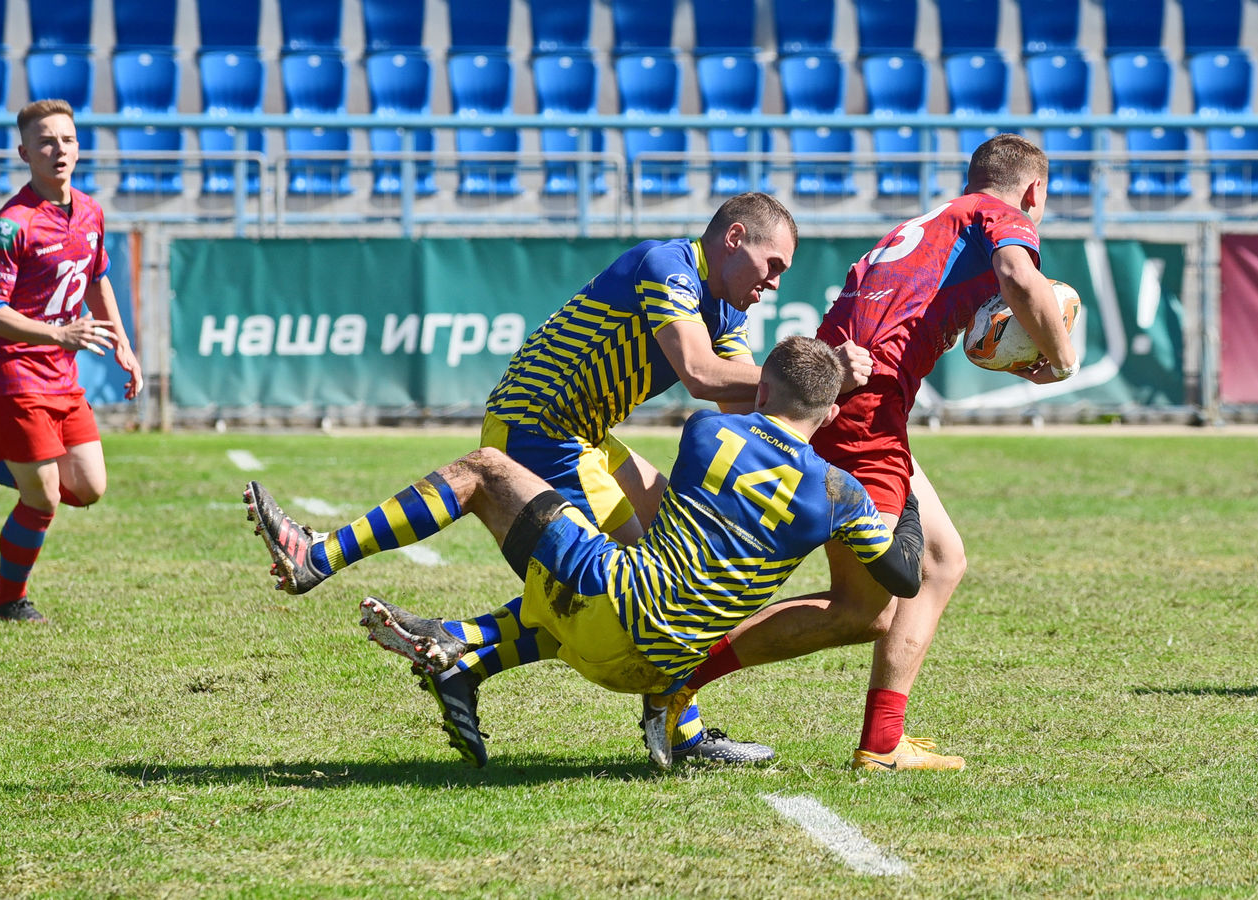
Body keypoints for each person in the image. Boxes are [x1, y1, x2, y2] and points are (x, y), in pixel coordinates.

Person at [252, 192, 872, 765]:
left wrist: (820, 394)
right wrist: (821, 376)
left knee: (671, 559)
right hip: (541, 428)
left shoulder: (724, 312)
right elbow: (704, 377)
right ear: (734, 237)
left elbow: (759, 407)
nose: (774, 281)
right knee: (642, 587)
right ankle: (332, 564)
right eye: (772, 263)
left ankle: (468, 662)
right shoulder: (670, 266)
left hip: (586, 437)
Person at [246, 337, 922, 768]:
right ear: (828, 418)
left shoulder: (707, 431)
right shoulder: (842, 494)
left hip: (609, 613)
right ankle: (463, 652)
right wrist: (906, 487)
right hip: (657, 674)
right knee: (621, 583)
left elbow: (709, 415)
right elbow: (903, 576)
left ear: (763, 391)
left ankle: (319, 557)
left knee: (486, 469)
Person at [707, 134, 1081, 771]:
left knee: (941, 559)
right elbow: (1022, 278)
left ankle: (883, 743)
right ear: (1034, 191)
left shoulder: (931, 226)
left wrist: (1019, 355)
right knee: (862, 612)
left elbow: (968, 334)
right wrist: (1064, 360)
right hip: (862, 413)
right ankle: (678, 678)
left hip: (849, 399)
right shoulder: (1004, 218)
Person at [0, 99, 140, 623]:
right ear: (24, 152)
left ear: (78, 146)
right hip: (11, 378)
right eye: (45, 142)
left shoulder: (90, 211)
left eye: (66, 139)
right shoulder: (11, 225)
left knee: (86, 489)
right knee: (42, 499)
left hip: (62, 379)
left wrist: (122, 342)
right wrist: (56, 332)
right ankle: (6, 603)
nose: (57, 150)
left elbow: (95, 277)